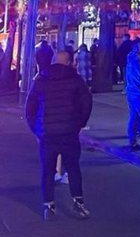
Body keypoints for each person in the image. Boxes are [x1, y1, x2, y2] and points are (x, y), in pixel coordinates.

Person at [25, 49, 93, 221]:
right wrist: (80, 123)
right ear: (70, 62)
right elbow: (86, 103)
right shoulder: (75, 80)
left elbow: (30, 109)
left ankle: (49, 205)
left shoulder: (41, 79)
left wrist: (37, 129)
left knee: (47, 171)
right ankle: (78, 203)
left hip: (47, 134)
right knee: (73, 168)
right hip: (69, 132)